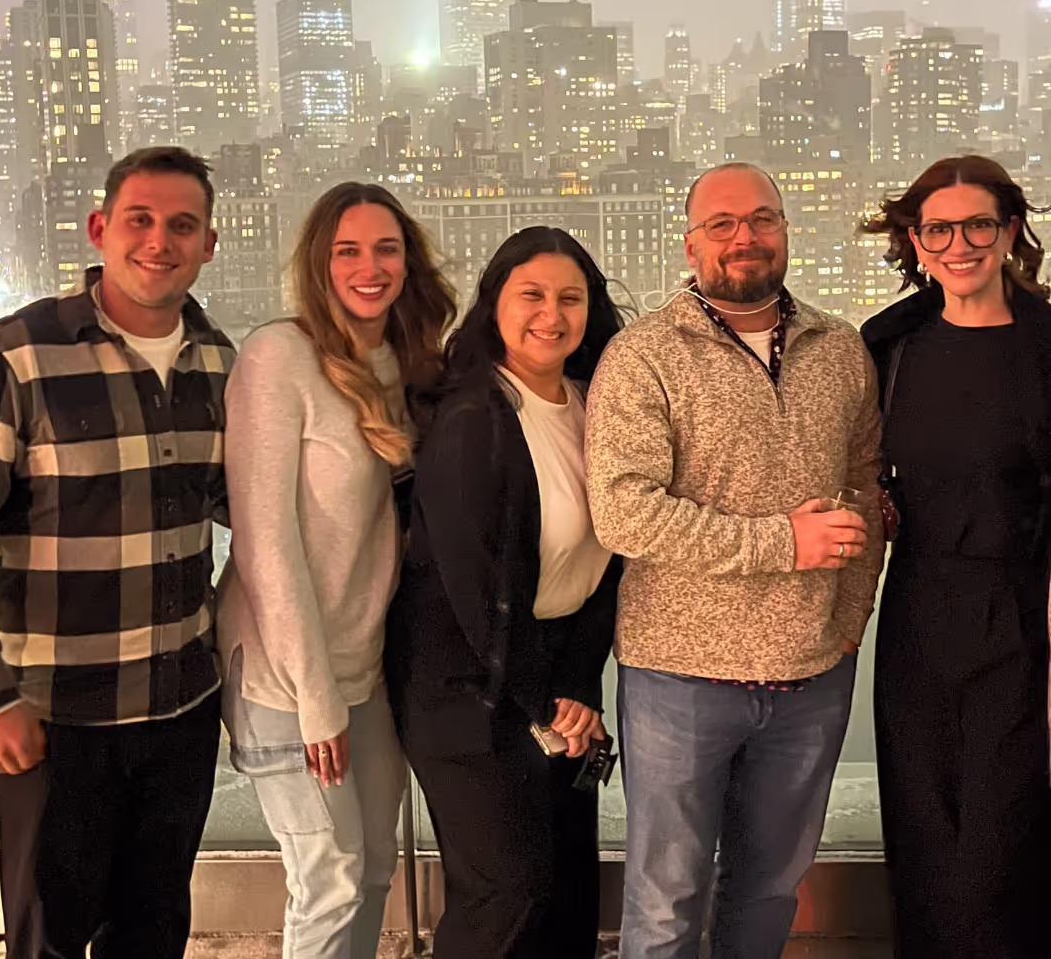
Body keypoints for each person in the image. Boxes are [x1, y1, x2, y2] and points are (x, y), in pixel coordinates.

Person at [0, 147, 236, 959]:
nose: (159, 241)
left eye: (182, 226)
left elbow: (247, 507)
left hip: (182, 712)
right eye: (140, 220)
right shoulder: (13, 354)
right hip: (54, 719)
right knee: (49, 938)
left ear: (208, 244)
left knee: (154, 932)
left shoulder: (221, 363)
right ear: (99, 229)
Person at [585, 162, 885, 959]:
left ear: (785, 231)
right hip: (679, 678)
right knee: (666, 903)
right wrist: (784, 543)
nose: (743, 237)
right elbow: (624, 513)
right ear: (691, 245)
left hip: (812, 676)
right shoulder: (643, 355)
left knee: (769, 893)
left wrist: (850, 616)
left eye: (761, 219)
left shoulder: (841, 349)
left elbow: (865, 489)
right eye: (721, 224)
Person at [216, 182, 455, 959]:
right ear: (318, 264)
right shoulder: (278, 357)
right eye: (347, 251)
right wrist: (314, 697)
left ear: (408, 262)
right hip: (284, 677)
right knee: (330, 880)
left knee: (376, 869)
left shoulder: (407, 362)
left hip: (368, 666)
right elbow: (265, 541)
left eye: (386, 249)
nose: (368, 267)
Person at [386, 226, 626, 959]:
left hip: (552, 672)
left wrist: (577, 685)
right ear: (495, 305)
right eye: (532, 295)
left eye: (569, 298)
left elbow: (615, 555)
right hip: (466, 688)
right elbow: (474, 586)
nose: (551, 314)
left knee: (565, 896)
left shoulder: (597, 406)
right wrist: (547, 699)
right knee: (505, 898)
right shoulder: (474, 417)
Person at [860, 154, 1051, 958]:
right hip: (917, 619)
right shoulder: (889, 344)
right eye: (938, 229)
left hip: (1026, 622)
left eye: (978, 225)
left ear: (1009, 232)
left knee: (1001, 854)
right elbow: (857, 466)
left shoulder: (1046, 343)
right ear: (915, 240)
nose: (959, 244)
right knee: (925, 842)